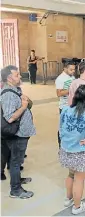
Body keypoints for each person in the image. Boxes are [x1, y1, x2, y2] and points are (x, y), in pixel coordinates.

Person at [59, 85, 85, 215]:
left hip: (67, 150)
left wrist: (65, 140)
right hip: (81, 152)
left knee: (71, 175)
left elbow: (61, 127)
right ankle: (77, 207)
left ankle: (68, 199)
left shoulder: (66, 109)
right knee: (79, 179)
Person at [1, 65, 35, 199]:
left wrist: (25, 102)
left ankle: (17, 180)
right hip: (17, 134)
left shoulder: (15, 89)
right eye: (17, 75)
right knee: (16, 162)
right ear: (9, 78)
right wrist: (24, 106)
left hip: (21, 132)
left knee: (14, 160)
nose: (20, 76)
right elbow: (10, 117)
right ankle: (15, 190)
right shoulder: (8, 94)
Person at [55, 61, 76, 147]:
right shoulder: (60, 79)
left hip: (73, 105)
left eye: (74, 69)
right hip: (64, 107)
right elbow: (59, 93)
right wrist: (71, 89)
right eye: (71, 69)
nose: (73, 71)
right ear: (65, 69)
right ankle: (62, 146)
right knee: (63, 128)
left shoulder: (72, 77)